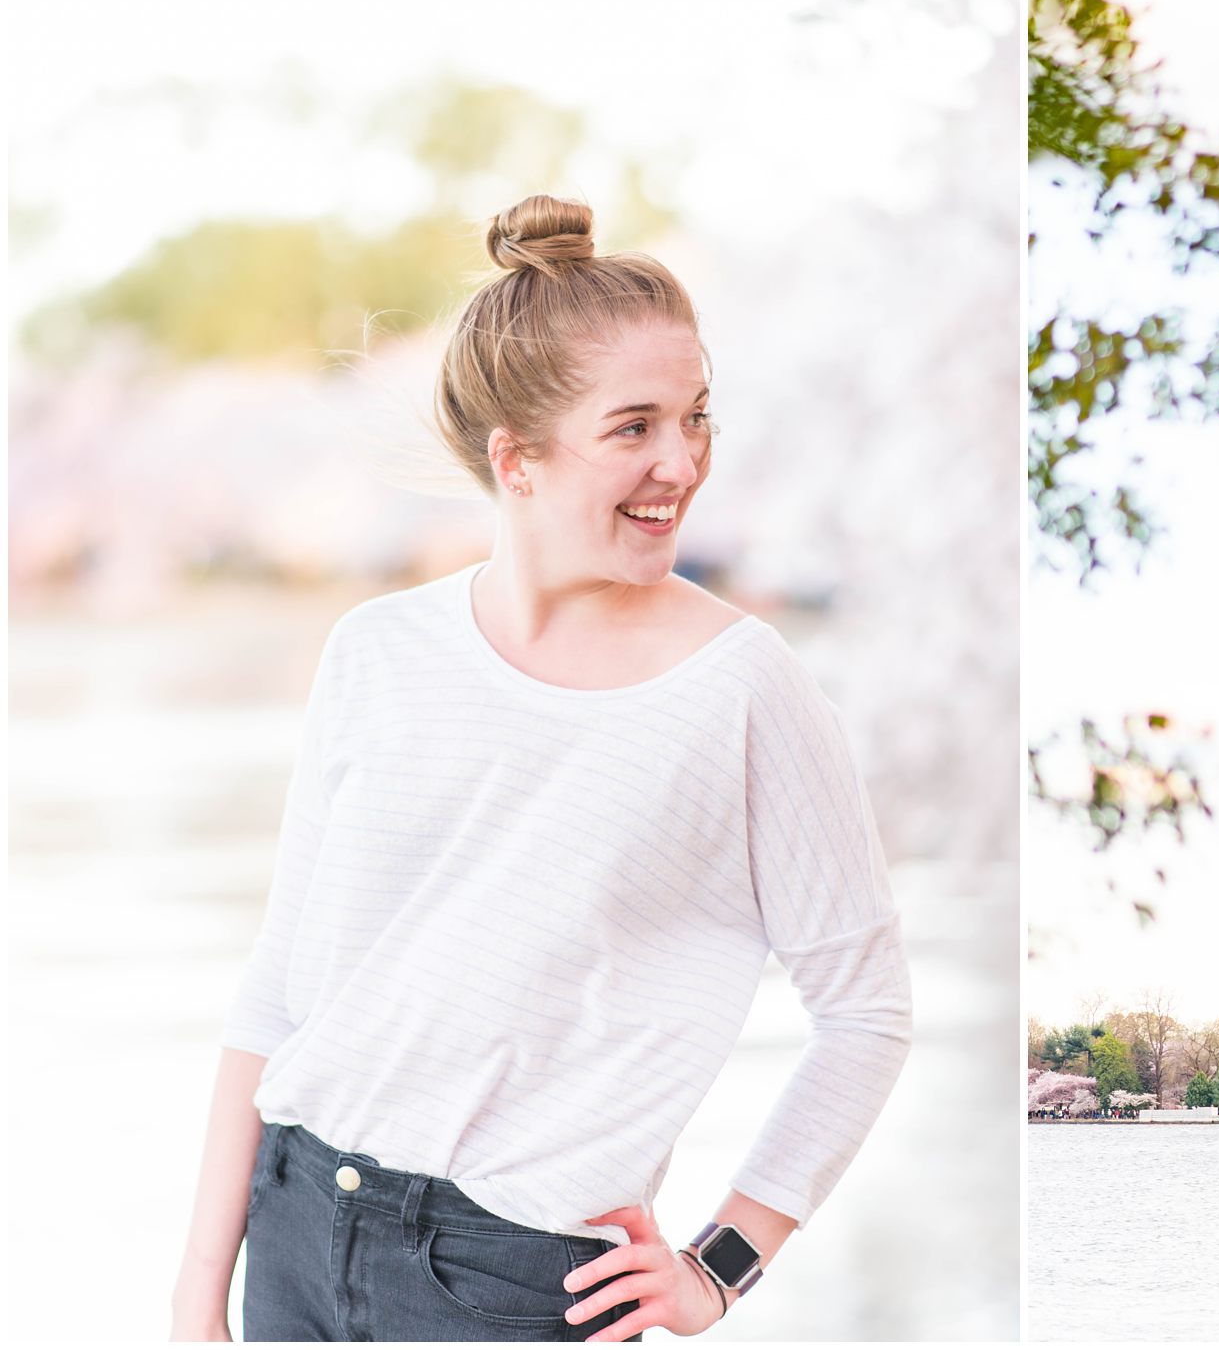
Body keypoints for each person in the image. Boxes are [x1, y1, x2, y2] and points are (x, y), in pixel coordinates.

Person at [169, 197, 914, 1343]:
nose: (684, 460)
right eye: (634, 427)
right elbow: (278, 986)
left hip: (512, 1280)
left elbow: (863, 1013)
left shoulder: (743, 688)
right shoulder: (376, 648)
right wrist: (196, 1292)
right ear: (514, 458)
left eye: (696, 416)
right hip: (294, 1229)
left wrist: (719, 1264)